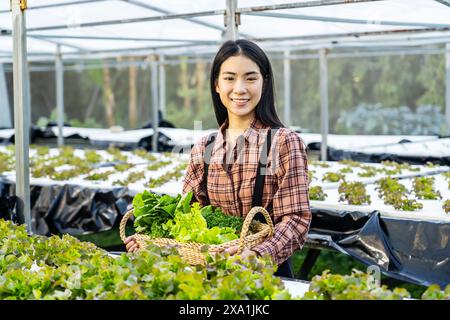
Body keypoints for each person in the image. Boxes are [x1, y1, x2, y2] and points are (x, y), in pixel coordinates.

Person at [126, 40, 311, 278]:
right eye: (230, 78)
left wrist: (256, 255)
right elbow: (189, 215)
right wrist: (156, 244)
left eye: (251, 78)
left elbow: (296, 218)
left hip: (264, 273)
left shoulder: (282, 142)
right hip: (209, 268)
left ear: (264, 83)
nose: (240, 88)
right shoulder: (205, 147)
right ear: (216, 84)